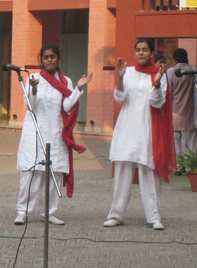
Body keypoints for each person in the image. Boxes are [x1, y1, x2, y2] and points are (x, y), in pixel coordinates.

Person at [14, 45, 92, 226]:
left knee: (53, 174)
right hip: (35, 132)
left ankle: (48, 212)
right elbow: (30, 106)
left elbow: (66, 106)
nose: (49, 60)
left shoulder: (66, 81)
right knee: (31, 173)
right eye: (46, 57)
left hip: (56, 132)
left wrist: (78, 89)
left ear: (59, 59)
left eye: (52, 56)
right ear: (41, 60)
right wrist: (33, 90)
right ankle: (22, 212)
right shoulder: (32, 78)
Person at [104, 39, 175, 231]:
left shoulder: (159, 74)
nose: (141, 53)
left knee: (149, 174)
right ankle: (116, 215)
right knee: (122, 174)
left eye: (145, 50)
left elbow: (157, 102)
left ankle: (154, 217)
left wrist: (157, 83)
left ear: (151, 53)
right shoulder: (127, 72)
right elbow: (119, 98)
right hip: (126, 129)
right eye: (138, 50)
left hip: (148, 130)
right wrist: (120, 78)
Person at [166, 48, 197, 160]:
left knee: (175, 145)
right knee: (190, 145)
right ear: (186, 57)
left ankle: (177, 166)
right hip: (190, 115)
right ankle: (189, 167)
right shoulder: (193, 70)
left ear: (175, 59)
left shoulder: (171, 72)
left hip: (173, 115)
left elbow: (166, 91)